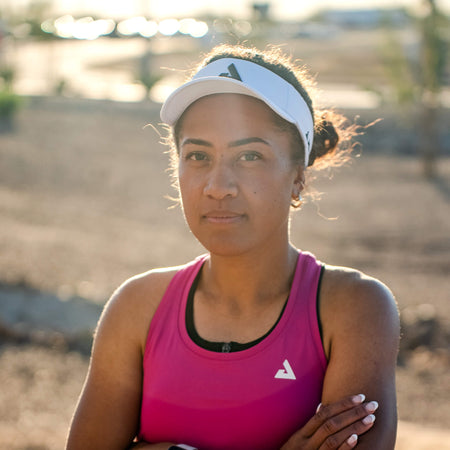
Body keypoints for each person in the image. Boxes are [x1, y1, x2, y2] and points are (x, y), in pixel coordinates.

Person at [66, 44, 400, 450]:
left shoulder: (354, 308)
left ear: (298, 176)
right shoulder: (137, 308)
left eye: (249, 156)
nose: (218, 187)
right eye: (198, 156)